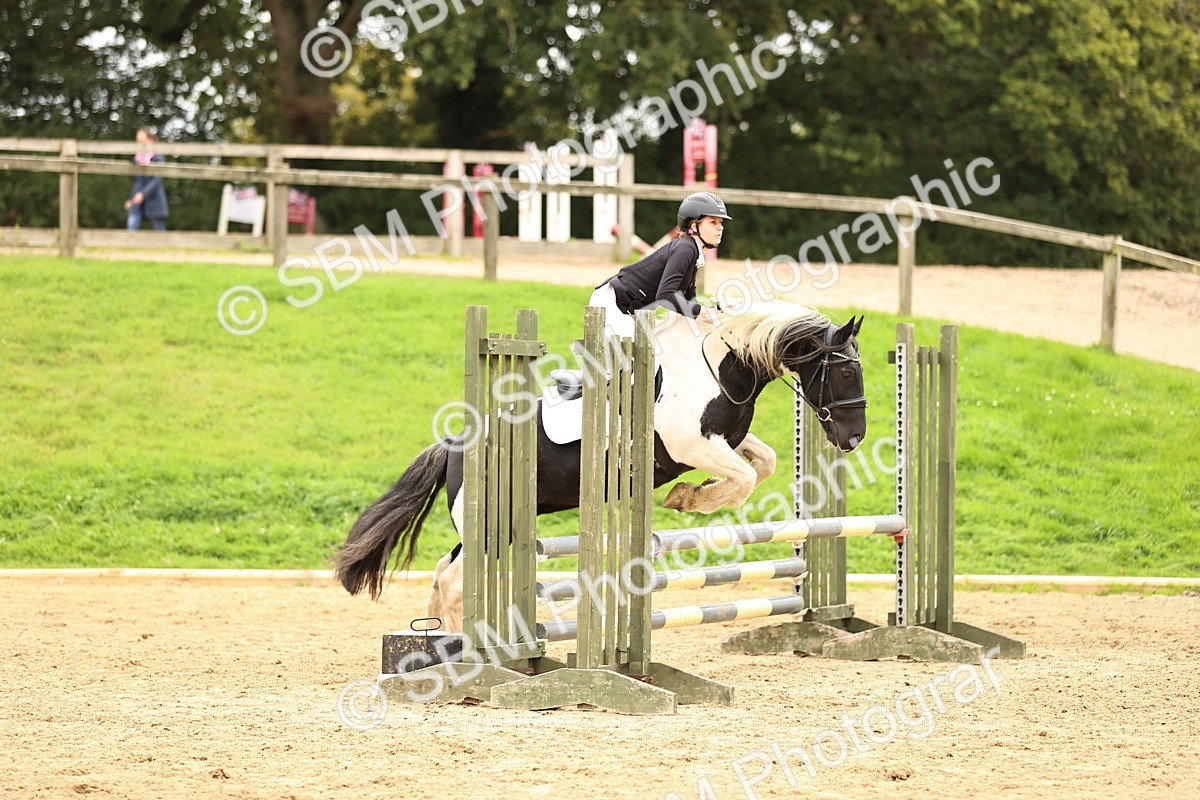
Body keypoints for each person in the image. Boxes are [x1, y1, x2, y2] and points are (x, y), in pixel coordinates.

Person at [589, 191, 729, 339]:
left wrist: (707, 313)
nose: (720, 228)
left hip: (630, 307)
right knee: (652, 354)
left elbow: (688, 297)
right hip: (613, 303)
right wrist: (700, 311)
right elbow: (665, 295)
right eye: (713, 222)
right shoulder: (685, 249)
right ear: (694, 226)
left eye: (721, 223)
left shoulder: (692, 250)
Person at [125, 128, 169, 231]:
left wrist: (143, 194)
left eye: (141, 137)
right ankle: (129, 245)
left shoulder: (158, 157)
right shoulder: (137, 158)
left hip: (153, 197)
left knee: (159, 229)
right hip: (137, 197)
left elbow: (157, 180)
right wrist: (131, 199)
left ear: (150, 139)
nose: (138, 139)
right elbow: (138, 181)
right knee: (132, 224)